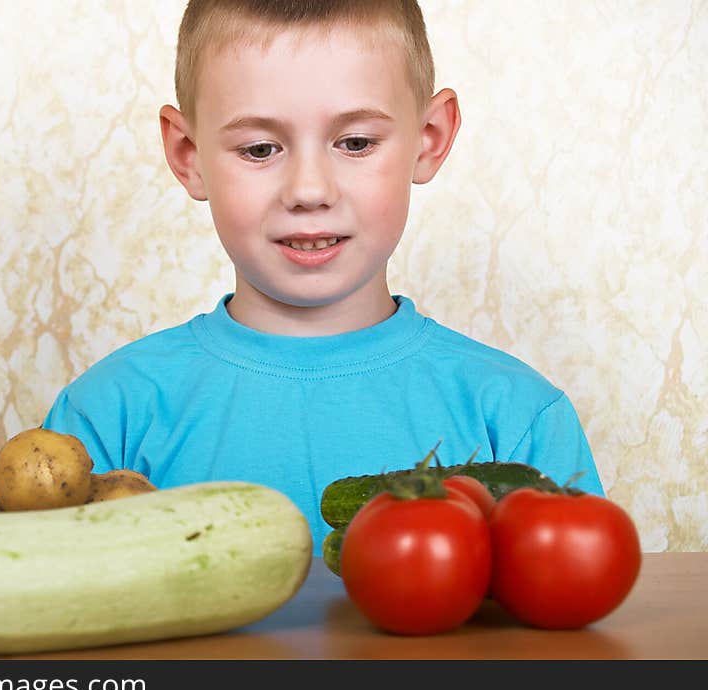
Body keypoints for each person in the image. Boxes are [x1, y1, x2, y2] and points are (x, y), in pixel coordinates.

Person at [42, 0, 604, 551]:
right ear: (189, 155)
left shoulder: (516, 417)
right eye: (260, 148)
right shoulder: (105, 418)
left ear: (429, 138)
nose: (309, 190)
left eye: (355, 143)